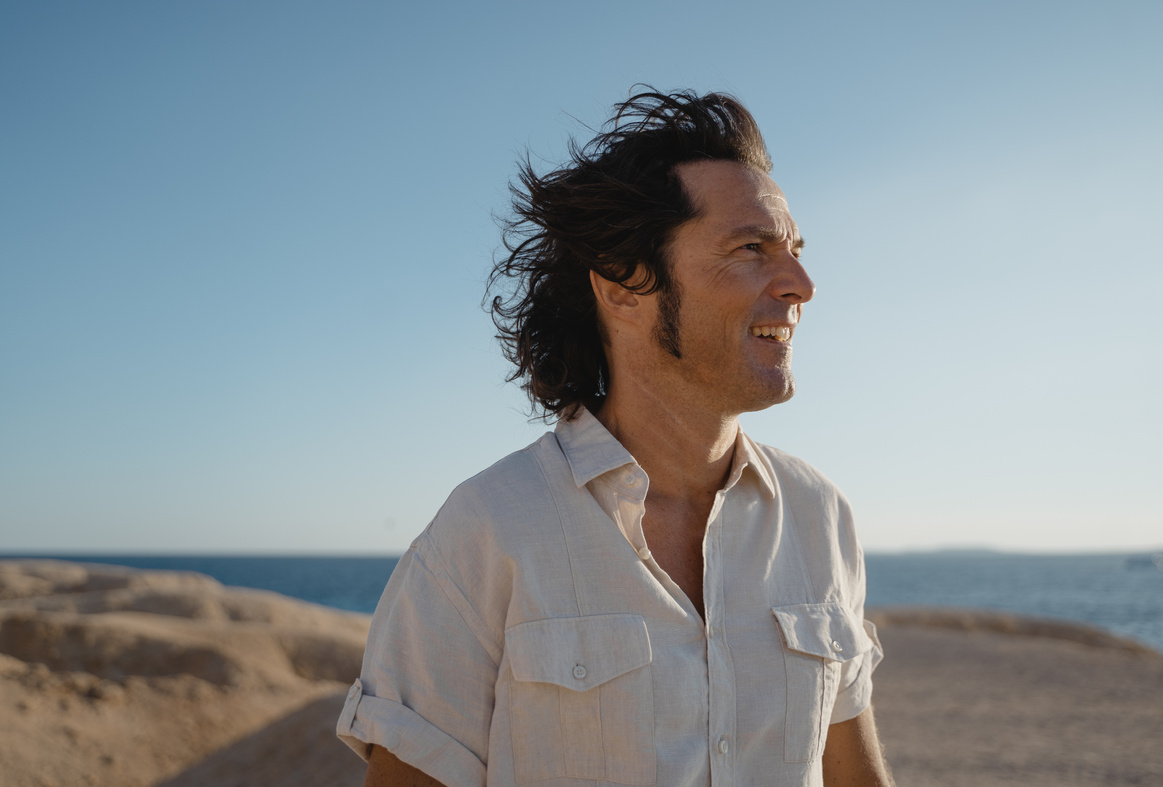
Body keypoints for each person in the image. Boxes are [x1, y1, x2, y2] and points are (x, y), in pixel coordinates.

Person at [338, 88, 893, 787]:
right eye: (751, 249)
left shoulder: (820, 515)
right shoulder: (488, 528)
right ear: (624, 287)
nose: (801, 284)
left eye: (796, 251)